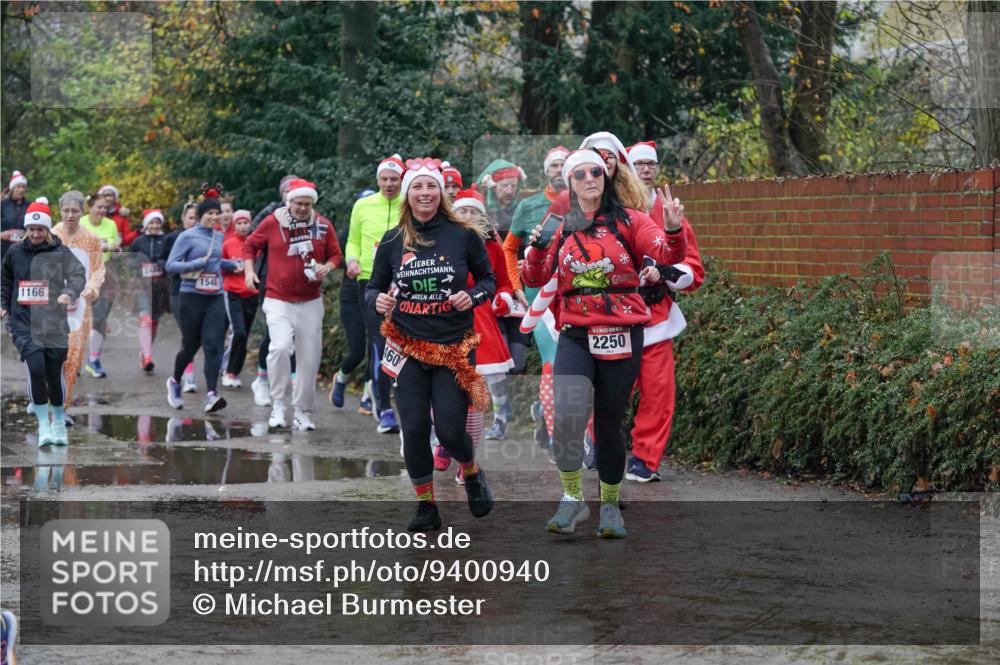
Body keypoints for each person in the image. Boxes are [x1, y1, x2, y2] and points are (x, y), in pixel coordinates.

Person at [522, 149, 688, 538]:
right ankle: (572, 499)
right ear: (569, 183)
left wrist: (675, 229)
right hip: (576, 334)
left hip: (623, 332)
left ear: (607, 177)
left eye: (596, 172)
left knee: (610, 426)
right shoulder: (560, 224)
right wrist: (537, 249)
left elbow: (666, 254)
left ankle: (610, 506)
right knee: (567, 418)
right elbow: (534, 274)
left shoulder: (632, 220)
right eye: (579, 174)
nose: (590, 179)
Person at [366, 157, 496, 532]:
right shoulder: (393, 240)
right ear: (408, 194)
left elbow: (488, 280)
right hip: (407, 347)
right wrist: (377, 301)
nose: (425, 193)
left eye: (431, 187)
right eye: (418, 187)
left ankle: (471, 472)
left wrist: (471, 297)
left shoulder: (463, 234)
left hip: (453, 346)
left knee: (453, 430)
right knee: (415, 429)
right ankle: (426, 506)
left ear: (441, 193)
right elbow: (373, 287)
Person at [611, 141, 705, 482]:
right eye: (639, 165)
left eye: (651, 164)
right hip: (613, 319)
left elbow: (693, 268)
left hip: (655, 319)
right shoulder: (608, 213)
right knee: (609, 391)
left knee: (658, 391)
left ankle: (645, 460)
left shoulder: (669, 213)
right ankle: (595, 446)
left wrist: (664, 274)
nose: (646, 170)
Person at [243, 179, 342, 431]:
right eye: (298, 203)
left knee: (309, 360)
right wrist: (248, 271)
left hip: (310, 301)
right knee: (280, 347)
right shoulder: (272, 223)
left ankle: (302, 412)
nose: (302, 208)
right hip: (277, 299)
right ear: (289, 202)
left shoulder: (321, 225)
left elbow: (335, 255)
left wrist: (326, 267)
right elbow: (250, 245)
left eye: (307, 204)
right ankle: (278, 404)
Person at [1, 198, 87, 446]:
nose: (36, 234)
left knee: (53, 372)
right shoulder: (15, 252)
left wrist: (69, 293)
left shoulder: (59, 252)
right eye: (32, 229)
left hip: (53, 322)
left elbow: (77, 275)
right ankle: (43, 425)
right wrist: (3, 303)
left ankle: (58, 421)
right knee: (36, 367)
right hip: (23, 322)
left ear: (48, 229)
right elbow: (5, 280)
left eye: (40, 229)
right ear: (26, 229)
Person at [502, 145, 570, 446]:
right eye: (554, 166)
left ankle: (546, 410)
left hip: (574, 297)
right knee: (552, 359)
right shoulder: (529, 206)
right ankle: (557, 434)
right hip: (538, 298)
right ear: (547, 171)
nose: (559, 170)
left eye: (564, 165)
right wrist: (516, 285)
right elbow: (509, 248)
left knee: (569, 363)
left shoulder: (586, 204)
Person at [446, 187, 514, 473]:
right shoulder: (442, 242)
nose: (469, 216)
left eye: (474, 211)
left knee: (474, 394)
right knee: (445, 391)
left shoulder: (492, 247)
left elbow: (503, 282)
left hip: (481, 322)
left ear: (483, 218)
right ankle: (443, 439)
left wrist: (504, 298)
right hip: (446, 321)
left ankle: (467, 462)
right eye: (463, 210)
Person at [344, 154, 404, 433]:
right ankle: (386, 409)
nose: (389, 184)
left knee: (405, 343)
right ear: (378, 179)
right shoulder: (363, 205)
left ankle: (409, 404)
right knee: (381, 343)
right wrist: (352, 260)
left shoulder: (410, 202)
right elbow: (353, 240)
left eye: (394, 179)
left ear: (401, 180)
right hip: (370, 282)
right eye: (384, 179)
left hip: (406, 280)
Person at [165, 193, 237, 413]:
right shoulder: (187, 236)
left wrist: (232, 265)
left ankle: (211, 394)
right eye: (210, 213)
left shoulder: (219, 237)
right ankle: (175, 382)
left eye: (217, 213)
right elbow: (171, 265)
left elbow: (215, 263)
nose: (214, 217)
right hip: (191, 296)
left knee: (214, 345)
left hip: (214, 296)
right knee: (190, 346)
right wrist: (196, 263)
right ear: (200, 215)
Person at [50, 190, 105, 423]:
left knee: (72, 357)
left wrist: (92, 288)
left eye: (74, 211)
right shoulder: (50, 234)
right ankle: (45, 401)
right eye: (66, 210)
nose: (70, 215)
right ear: (60, 210)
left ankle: (61, 409)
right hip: (51, 305)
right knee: (51, 356)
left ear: (81, 212)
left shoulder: (90, 239)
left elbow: (98, 269)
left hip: (80, 306)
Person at [249, 174, 299, 407]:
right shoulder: (271, 213)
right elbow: (251, 237)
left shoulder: (309, 216)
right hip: (271, 280)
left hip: (300, 283)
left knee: (297, 334)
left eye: (295, 190)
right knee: (274, 333)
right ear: (282, 194)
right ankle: (261, 381)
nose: (292, 195)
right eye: (288, 191)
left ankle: (295, 385)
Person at [329, 189, 375, 409]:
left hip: (375, 293)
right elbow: (335, 257)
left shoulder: (383, 227)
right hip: (351, 295)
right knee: (357, 350)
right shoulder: (349, 232)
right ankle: (341, 377)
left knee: (375, 348)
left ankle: (368, 396)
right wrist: (350, 262)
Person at [81, 193, 121, 379]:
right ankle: (72, 360)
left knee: (100, 317)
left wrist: (112, 246)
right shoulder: (80, 223)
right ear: (90, 207)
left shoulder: (111, 224)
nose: (103, 210)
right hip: (81, 276)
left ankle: (94, 360)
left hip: (105, 274)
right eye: (99, 207)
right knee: (78, 319)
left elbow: (116, 243)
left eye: (105, 207)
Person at [128, 209, 171, 373]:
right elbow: (129, 259)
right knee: (145, 319)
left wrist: (162, 263)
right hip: (142, 284)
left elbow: (172, 259)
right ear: (146, 225)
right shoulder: (139, 241)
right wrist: (138, 262)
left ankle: (145, 351)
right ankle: (147, 357)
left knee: (154, 321)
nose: (154, 226)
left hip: (160, 286)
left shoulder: (166, 240)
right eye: (151, 223)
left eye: (157, 223)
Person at [162, 201, 199, 392]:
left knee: (197, 335)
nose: (194, 222)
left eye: (196, 218)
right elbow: (163, 260)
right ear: (183, 218)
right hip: (178, 291)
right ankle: (189, 376)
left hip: (201, 292)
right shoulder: (173, 238)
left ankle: (188, 373)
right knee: (188, 333)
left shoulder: (207, 239)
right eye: (191, 217)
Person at [221, 209, 258, 388]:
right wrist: (231, 266)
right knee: (239, 331)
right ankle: (227, 371)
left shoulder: (255, 245)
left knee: (245, 335)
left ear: (250, 224)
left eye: (245, 223)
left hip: (252, 293)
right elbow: (218, 266)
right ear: (234, 225)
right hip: (233, 293)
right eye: (239, 223)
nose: (243, 226)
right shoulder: (227, 244)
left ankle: (235, 372)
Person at [476, 159, 526, 237]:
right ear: (492, 186)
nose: (509, 191)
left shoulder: (522, 210)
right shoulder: (480, 210)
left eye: (513, 185)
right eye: (504, 185)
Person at [1, 171, 29, 261]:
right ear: (12, 188)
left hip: (24, 250)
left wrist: (29, 233)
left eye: (23, 187)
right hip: (4, 251)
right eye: (18, 186)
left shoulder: (30, 206)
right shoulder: (3, 205)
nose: (21, 189)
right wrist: (1, 234)